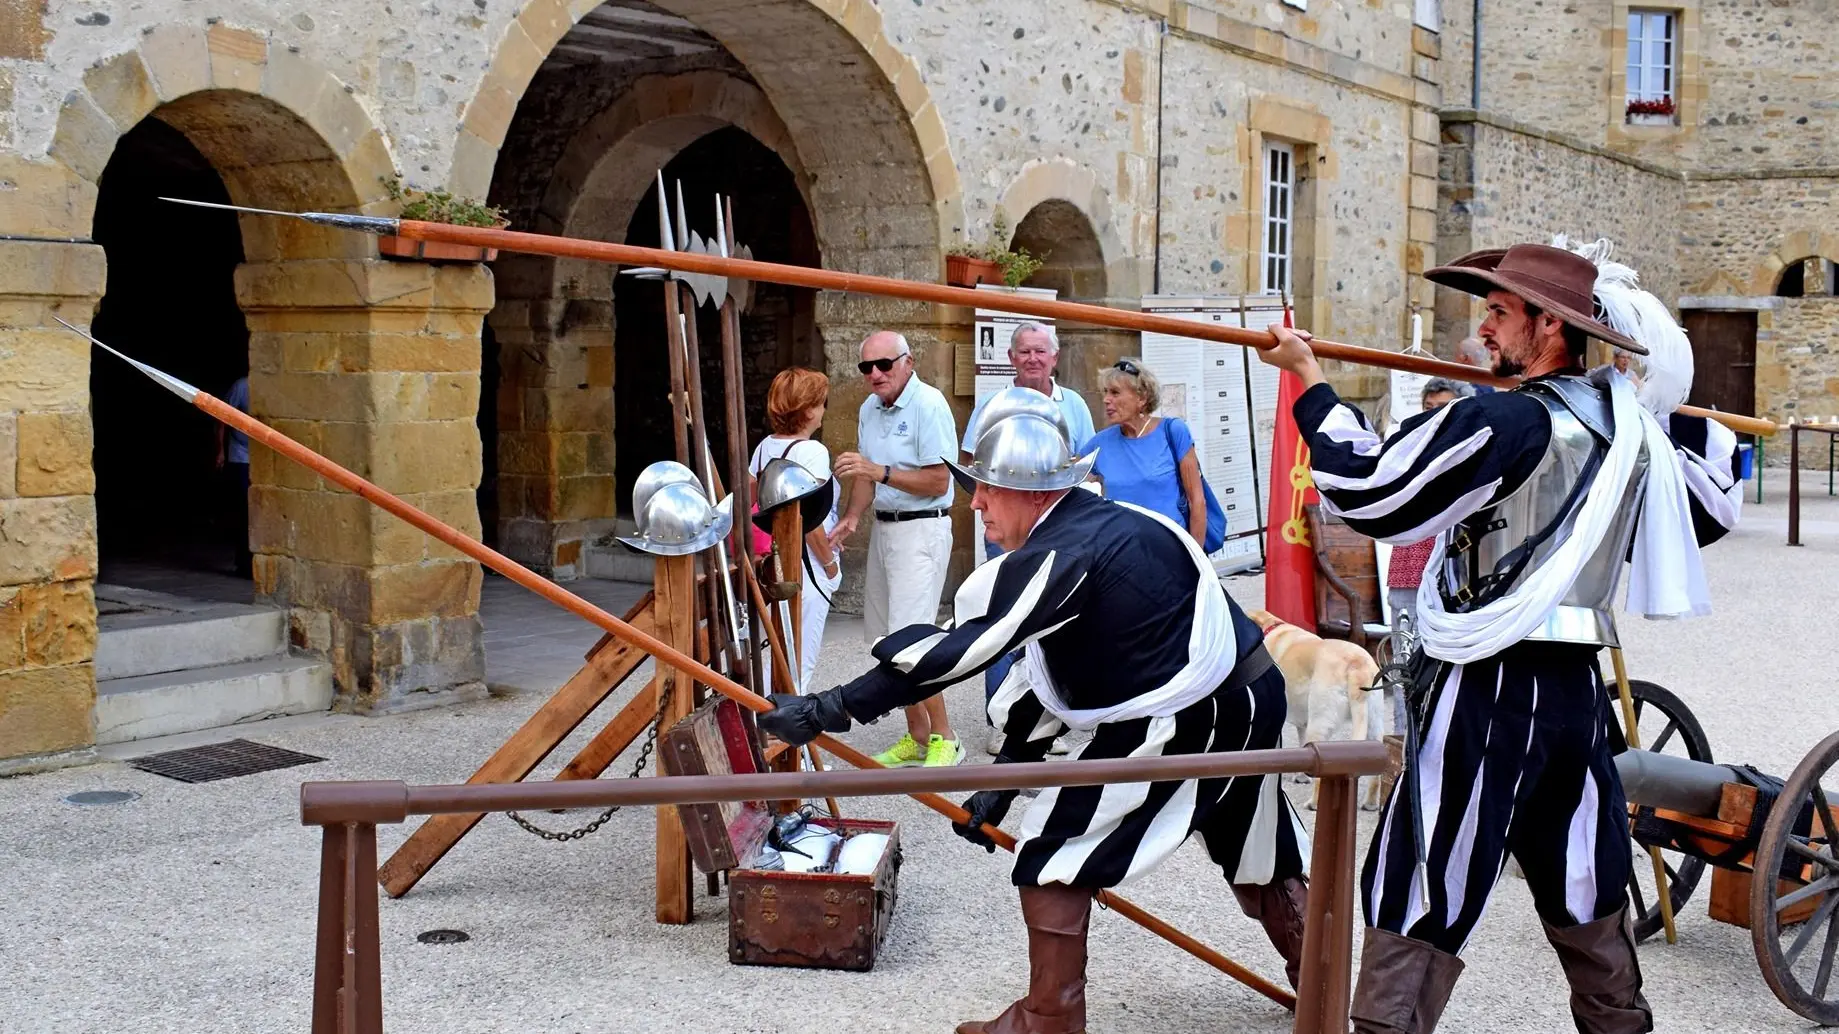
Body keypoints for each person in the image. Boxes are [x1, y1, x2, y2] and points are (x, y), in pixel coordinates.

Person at [1258, 242, 1742, 1034]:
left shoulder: (1507, 419)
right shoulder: (1634, 437)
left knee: (1425, 870)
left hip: (1487, 681)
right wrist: (1654, 409)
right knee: (1581, 869)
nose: (1482, 328)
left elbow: (1374, 488)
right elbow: (1711, 511)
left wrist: (1307, 381)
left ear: (1550, 326)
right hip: (1575, 691)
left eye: (1498, 312)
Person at [760, 410, 1312, 1034]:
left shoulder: (1064, 551)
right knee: (1256, 845)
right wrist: (1006, 774)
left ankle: (1048, 1020)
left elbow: (957, 652)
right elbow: (1068, 673)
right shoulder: (1107, 524)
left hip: (1191, 709)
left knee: (1053, 848)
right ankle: (1320, 990)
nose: (978, 507)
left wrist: (826, 708)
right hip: (1249, 693)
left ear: (1037, 492)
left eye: (989, 491)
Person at [960, 321, 1096, 754]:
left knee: (1054, 620)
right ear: (1011, 358)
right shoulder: (992, 404)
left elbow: (1089, 466)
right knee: (1003, 619)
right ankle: (1002, 725)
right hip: (1005, 528)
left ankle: (1047, 720)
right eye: (1025, 352)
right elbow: (970, 464)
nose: (1033, 359)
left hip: (1059, 529)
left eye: (1041, 351)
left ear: (1054, 357)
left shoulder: (1073, 404)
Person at [830, 331, 964, 768]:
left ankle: (947, 738)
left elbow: (939, 481)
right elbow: (866, 477)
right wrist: (851, 517)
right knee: (887, 638)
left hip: (922, 530)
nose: (875, 374)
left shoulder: (930, 404)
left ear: (908, 362)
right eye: (865, 367)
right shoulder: (871, 408)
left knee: (914, 639)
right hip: (887, 529)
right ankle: (917, 735)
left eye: (884, 365)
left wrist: (878, 470)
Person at [749, 367, 840, 693]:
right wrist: (830, 566)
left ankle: (769, 724)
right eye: (821, 403)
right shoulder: (812, 453)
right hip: (805, 563)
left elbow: (750, 498)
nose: (824, 411)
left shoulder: (764, 447)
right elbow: (807, 519)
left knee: (777, 649)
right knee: (801, 656)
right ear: (807, 410)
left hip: (772, 560)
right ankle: (790, 732)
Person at [1083, 359, 1208, 545]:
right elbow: (1068, 484)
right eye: (1105, 392)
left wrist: (1197, 561)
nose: (1106, 399)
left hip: (1170, 550)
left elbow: (1196, 500)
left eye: (1115, 393)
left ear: (1141, 398)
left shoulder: (1173, 431)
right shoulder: (1099, 443)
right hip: (1121, 553)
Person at [213, 374, 253, 577]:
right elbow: (222, 418)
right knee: (244, 509)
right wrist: (220, 451)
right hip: (241, 455)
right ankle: (244, 562)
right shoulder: (241, 386)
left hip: (263, 456)